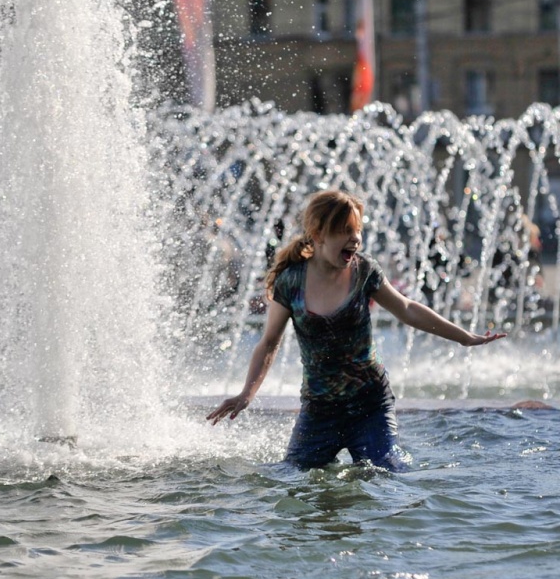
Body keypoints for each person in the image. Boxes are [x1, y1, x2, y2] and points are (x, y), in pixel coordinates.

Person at [206, 189, 506, 472]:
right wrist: (247, 394)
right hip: (319, 410)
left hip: (370, 404)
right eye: (345, 231)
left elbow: (406, 308)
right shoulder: (291, 281)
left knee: (387, 472)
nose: (356, 239)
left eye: (358, 230)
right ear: (319, 234)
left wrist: (464, 338)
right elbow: (269, 342)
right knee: (292, 475)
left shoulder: (364, 271)